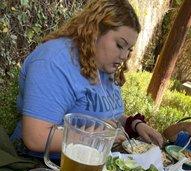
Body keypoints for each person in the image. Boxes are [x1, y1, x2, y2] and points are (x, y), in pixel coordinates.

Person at [11, 0, 163, 159]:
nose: (124, 56)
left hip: (90, 161)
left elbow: (103, 114)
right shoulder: (54, 62)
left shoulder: (102, 62)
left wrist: (134, 124)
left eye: (129, 49)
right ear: (94, 31)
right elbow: (35, 138)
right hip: (43, 165)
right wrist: (94, 138)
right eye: (119, 45)